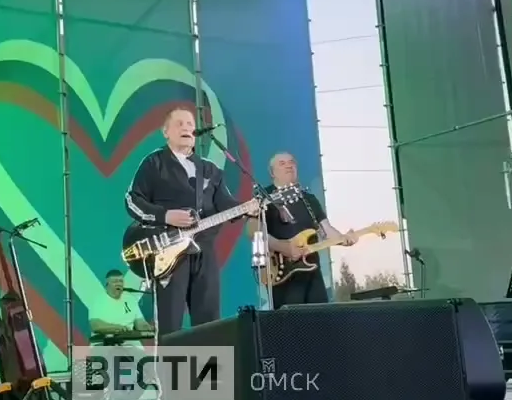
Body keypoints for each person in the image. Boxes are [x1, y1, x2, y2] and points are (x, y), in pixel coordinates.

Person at [125, 106, 250, 335]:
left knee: (209, 321)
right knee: (170, 321)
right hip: (169, 251)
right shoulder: (154, 163)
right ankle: (170, 360)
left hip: (204, 251)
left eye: (190, 124)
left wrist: (249, 208)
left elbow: (225, 204)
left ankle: (209, 360)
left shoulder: (210, 169)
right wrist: (165, 215)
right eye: (180, 124)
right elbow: (132, 201)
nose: (187, 128)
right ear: (166, 132)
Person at [255, 152, 353, 309]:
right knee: (291, 319)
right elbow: (254, 233)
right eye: (282, 163)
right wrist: (283, 247)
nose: (289, 165)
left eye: (292, 162)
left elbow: (326, 229)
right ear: (272, 173)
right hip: (282, 271)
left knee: (319, 317)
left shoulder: (309, 199)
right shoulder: (262, 198)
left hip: (312, 268)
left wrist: (343, 239)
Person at [90, 269, 153, 336]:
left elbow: (139, 322)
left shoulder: (130, 299)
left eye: (121, 281)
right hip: (106, 340)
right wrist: (117, 328)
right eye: (115, 281)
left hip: (130, 339)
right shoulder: (98, 301)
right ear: (107, 284)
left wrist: (146, 327)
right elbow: (95, 326)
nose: (119, 284)